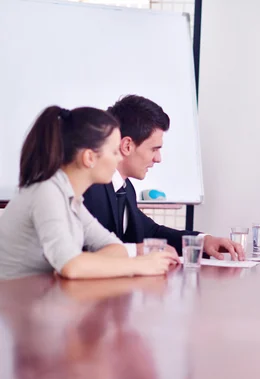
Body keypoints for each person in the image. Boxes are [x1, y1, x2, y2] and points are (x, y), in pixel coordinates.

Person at [0, 106, 176, 280]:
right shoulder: (47, 192)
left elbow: (116, 247)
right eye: (115, 151)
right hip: (14, 303)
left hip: (42, 300)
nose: (120, 158)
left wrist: (83, 264)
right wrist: (140, 264)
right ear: (89, 158)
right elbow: (71, 266)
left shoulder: (72, 198)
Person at [83, 95, 244, 260]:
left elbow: (151, 232)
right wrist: (139, 251)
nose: (158, 158)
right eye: (154, 149)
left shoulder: (125, 189)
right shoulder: (89, 188)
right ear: (127, 146)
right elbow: (88, 250)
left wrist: (203, 241)